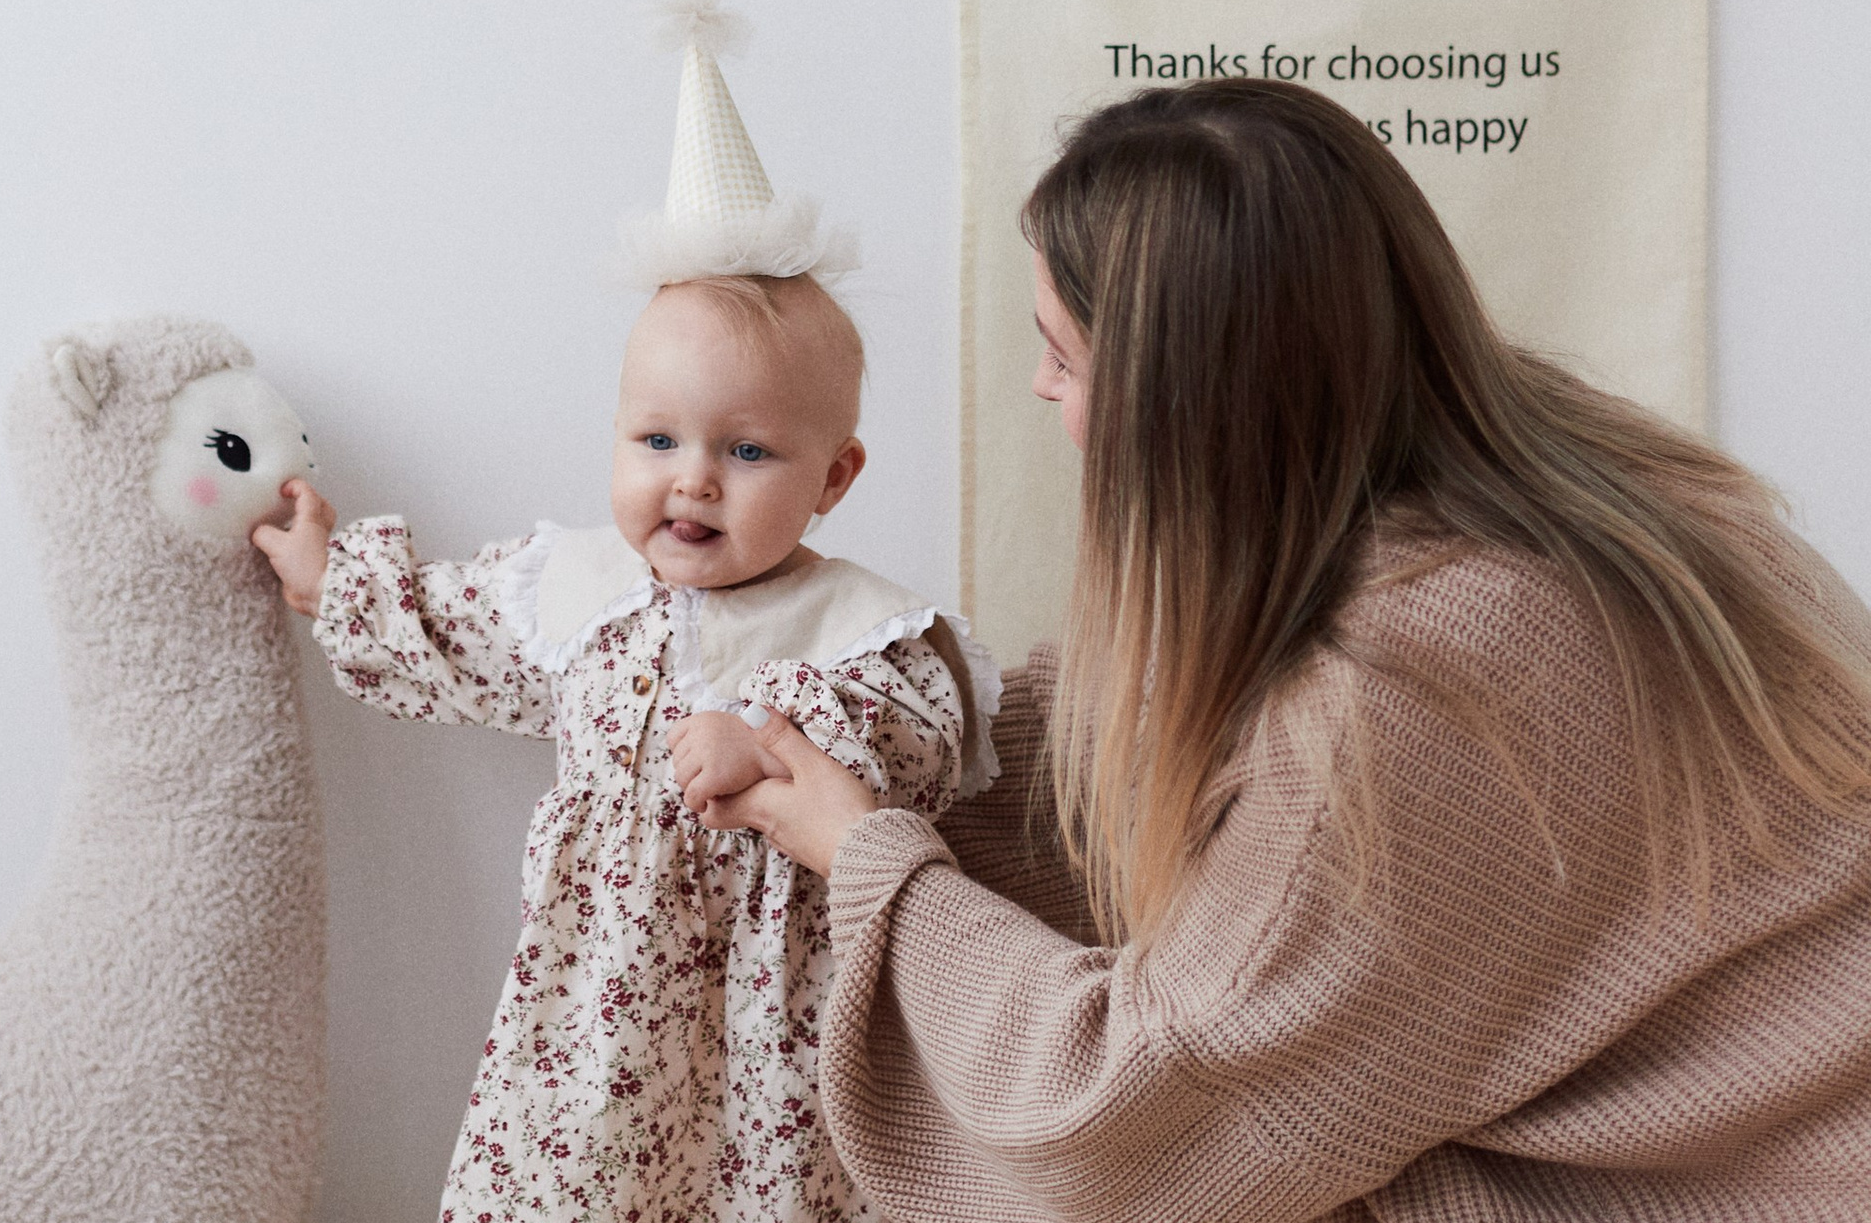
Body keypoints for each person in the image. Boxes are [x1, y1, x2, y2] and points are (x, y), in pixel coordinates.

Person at [697, 79, 1871, 1220]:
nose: (1040, 385)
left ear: (1181, 404)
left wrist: (871, 858)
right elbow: (1134, 725)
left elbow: (1130, 1132)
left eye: (1064, 353)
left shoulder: (1413, 694)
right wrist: (882, 720)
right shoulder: (1585, 484)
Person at [251, 0, 999, 1222]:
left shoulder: (855, 628)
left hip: (776, 1027)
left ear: (834, 476)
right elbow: (454, 630)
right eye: (657, 438)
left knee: (773, 1194)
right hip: (595, 1033)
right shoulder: (580, 590)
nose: (692, 478)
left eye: (746, 450)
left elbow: (916, 744)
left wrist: (767, 742)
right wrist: (330, 578)